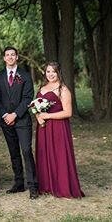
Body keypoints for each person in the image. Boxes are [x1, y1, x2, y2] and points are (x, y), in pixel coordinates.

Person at [0, 46, 38, 199]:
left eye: (13, 54)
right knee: (14, 153)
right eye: (7, 55)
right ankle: (19, 183)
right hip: (5, 120)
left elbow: (28, 97)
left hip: (22, 120)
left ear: (17, 57)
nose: (10, 57)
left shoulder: (25, 76)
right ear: (4, 58)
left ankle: (33, 186)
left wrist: (15, 114)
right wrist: (6, 114)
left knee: (26, 150)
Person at [34, 62, 84, 198]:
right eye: (48, 71)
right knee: (44, 154)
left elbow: (68, 112)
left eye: (53, 72)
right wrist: (38, 116)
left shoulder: (63, 90)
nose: (50, 74)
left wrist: (48, 116)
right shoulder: (42, 87)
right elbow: (36, 105)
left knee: (59, 155)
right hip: (43, 127)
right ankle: (46, 185)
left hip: (58, 127)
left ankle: (62, 186)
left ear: (58, 73)